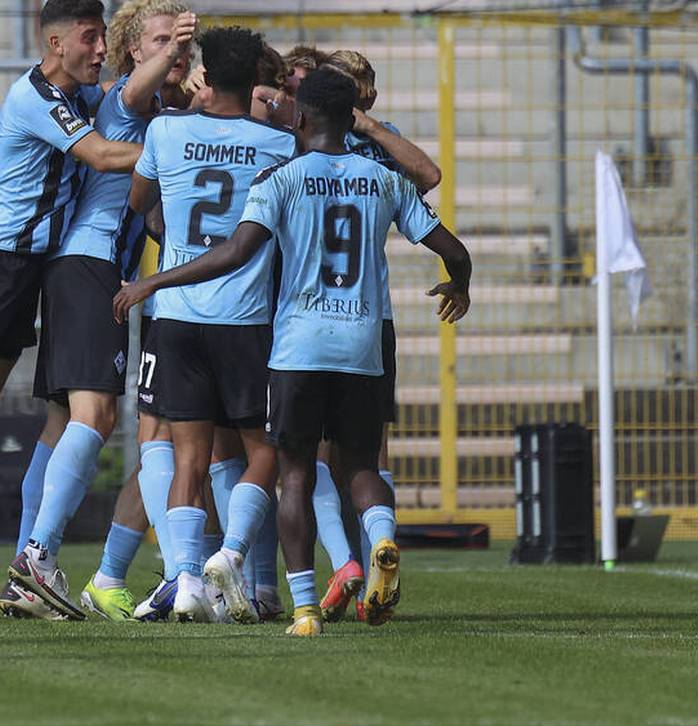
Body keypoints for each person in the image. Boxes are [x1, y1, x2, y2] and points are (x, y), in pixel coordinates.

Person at [113, 67, 471, 636]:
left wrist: (154, 281)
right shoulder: (385, 180)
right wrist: (460, 286)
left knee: (297, 473)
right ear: (350, 119)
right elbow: (453, 249)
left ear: (301, 118)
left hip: (298, 347)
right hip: (362, 345)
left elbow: (235, 252)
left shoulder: (280, 178)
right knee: (361, 464)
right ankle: (382, 540)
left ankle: (304, 609)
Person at [0, 0, 196, 622]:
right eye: (159, 41)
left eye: (181, 43)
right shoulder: (130, 100)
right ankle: (38, 555)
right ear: (135, 51)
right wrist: (173, 59)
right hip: (89, 266)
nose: (175, 51)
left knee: (61, 425)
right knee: (97, 414)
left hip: (80, 268)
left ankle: (25, 573)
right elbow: (133, 94)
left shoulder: (162, 113)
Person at [0, 0, 142, 619]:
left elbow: (115, 97)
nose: (99, 49)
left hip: (44, 264)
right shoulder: (37, 96)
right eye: (89, 37)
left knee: (38, 415)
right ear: (56, 42)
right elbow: (104, 155)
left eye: (106, 37)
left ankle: (27, 567)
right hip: (10, 259)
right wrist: (183, 145)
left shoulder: (82, 93)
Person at [120, 26, 295, 624]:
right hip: (244, 319)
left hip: (176, 316)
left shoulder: (165, 130)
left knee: (188, 457)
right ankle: (233, 553)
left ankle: (188, 580)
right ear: (254, 79)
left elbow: (140, 201)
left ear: (206, 73)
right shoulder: (278, 146)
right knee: (267, 449)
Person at [313, 48, 444, 623]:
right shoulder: (313, 132)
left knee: (339, 451)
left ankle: (356, 569)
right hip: (359, 315)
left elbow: (428, 175)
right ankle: (363, 563)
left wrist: (369, 127)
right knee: (350, 451)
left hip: (329, 315)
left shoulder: (368, 141)